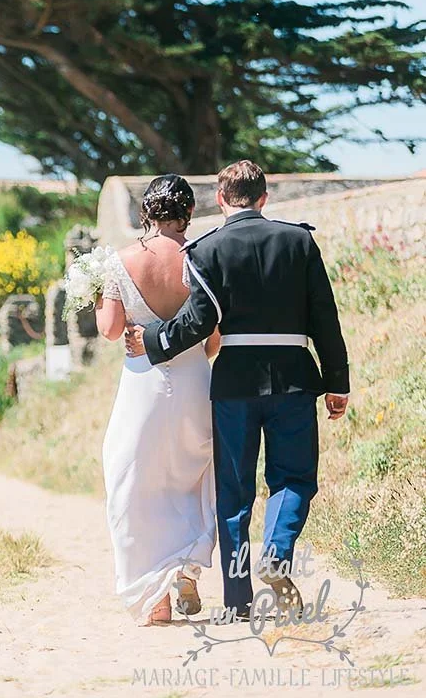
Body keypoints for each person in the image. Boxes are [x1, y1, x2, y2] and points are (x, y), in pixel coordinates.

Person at [124, 160, 350, 619]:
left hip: (233, 383)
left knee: (234, 491)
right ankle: (277, 554)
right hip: (294, 378)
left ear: (221, 201)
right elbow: (325, 317)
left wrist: (150, 341)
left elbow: (196, 323)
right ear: (264, 198)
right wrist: (337, 383)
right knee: (293, 478)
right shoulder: (299, 241)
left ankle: (237, 600)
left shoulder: (206, 250)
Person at [97, 174, 220, 625]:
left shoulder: (121, 261)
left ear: (145, 212)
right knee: (190, 476)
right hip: (194, 382)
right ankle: (187, 569)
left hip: (142, 384)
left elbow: (110, 330)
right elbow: (211, 340)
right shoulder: (202, 260)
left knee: (133, 481)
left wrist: (97, 297)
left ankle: (156, 598)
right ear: (188, 214)